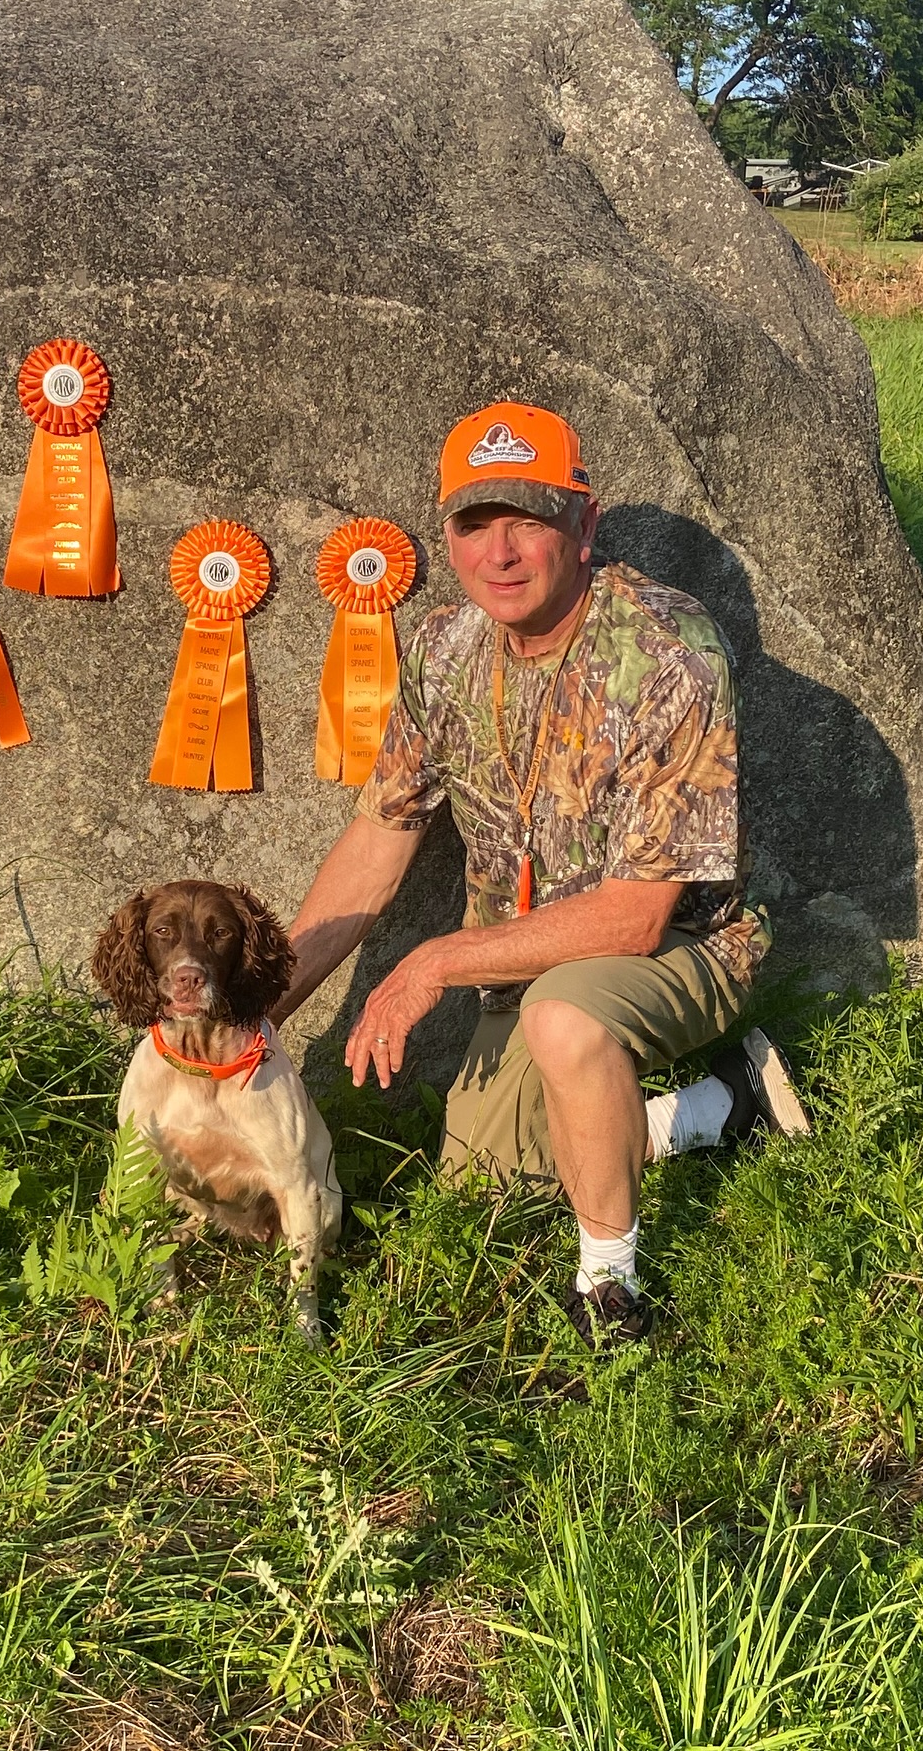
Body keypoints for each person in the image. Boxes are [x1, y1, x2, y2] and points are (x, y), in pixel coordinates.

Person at [271, 401, 809, 1346]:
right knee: (487, 1185)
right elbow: (378, 840)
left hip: (686, 946)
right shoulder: (441, 649)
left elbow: (639, 920)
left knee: (566, 1018)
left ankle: (611, 1293)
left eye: (530, 518)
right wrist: (257, 1010)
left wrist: (437, 962)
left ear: (584, 524)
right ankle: (722, 1100)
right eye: (477, 524)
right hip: (519, 966)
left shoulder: (668, 653)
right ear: (448, 535)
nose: (502, 551)